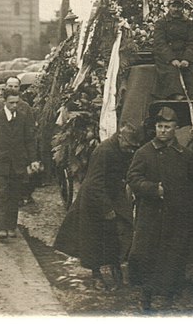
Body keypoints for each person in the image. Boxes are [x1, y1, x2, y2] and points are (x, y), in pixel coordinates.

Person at [127, 107, 193, 312]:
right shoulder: (144, 152)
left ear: (175, 129)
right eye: (160, 126)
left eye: (167, 127)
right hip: (151, 218)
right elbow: (133, 178)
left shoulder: (184, 154)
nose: (163, 131)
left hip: (176, 216)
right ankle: (145, 298)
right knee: (147, 256)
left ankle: (167, 297)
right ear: (155, 128)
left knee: (173, 256)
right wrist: (153, 189)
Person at [53, 123, 142, 291]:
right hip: (94, 197)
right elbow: (95, 183)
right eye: (129, 146)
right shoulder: (104, 151)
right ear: (120, 137)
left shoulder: (123, 150)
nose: (131, 150)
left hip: (113, 193)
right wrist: (107, 208)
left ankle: (116, 268)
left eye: (133, 147)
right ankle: (96, 275)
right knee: (93, 238)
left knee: (118, 232)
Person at [0, 93, 40, 241]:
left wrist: (33, 160)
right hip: (0, 163)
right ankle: (2, 228)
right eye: (11, 103)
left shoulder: (22, 117)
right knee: (0, 194)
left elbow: (29, 140)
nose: (15, 106)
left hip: (18, 164)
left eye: (17, 102)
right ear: (4, 102)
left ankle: (11, 226)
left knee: (14, 195)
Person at [0, 76, 38, 204]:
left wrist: (31, 157)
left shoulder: (25, 107)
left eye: (15, 86)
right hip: (0, 155)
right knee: (0, 189)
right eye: (10, 86)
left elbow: (29, 133)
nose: (12, 89)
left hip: (18, 154)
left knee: (14, 190)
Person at [152, 0, 193, 100]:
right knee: (171, 70)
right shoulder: (161, 23)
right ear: (168, 7)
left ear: (182, 8)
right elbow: (160, 43)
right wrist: (171, 59)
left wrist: (187, 59)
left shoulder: (189, 23)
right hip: (167, 57)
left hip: (184, 55)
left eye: (179, 6)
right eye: (173, 6)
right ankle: (176, 93)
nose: (176, 9)